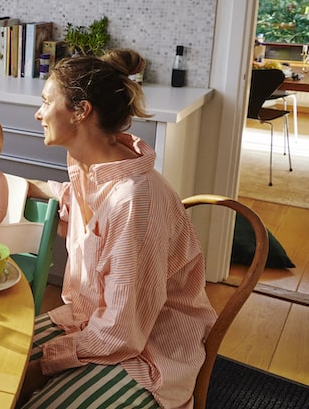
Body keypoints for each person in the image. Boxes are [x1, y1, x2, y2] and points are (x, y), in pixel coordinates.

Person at [19, 49, 217, 409]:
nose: (38, 113)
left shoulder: (135, 201)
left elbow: (123, 332)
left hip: (147, 352)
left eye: (47, 102)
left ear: (81, 111)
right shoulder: (89, 168)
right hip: (87, 322)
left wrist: (44, 366)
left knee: (31, 399)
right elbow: (68, 196)